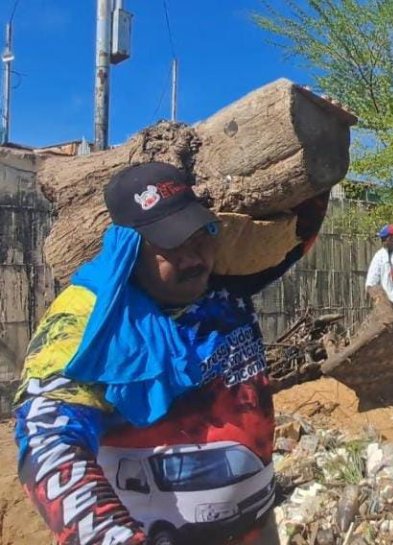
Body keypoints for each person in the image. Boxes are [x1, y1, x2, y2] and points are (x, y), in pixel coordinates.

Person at [13, 162, 327, 545]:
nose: (193, 257)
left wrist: (318, 140)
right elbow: (47, 440)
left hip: (255, 524)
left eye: (199, 236)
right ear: (130, 248)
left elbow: (297, 234)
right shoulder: (88, 319)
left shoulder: (225, 287)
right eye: (170, 245)